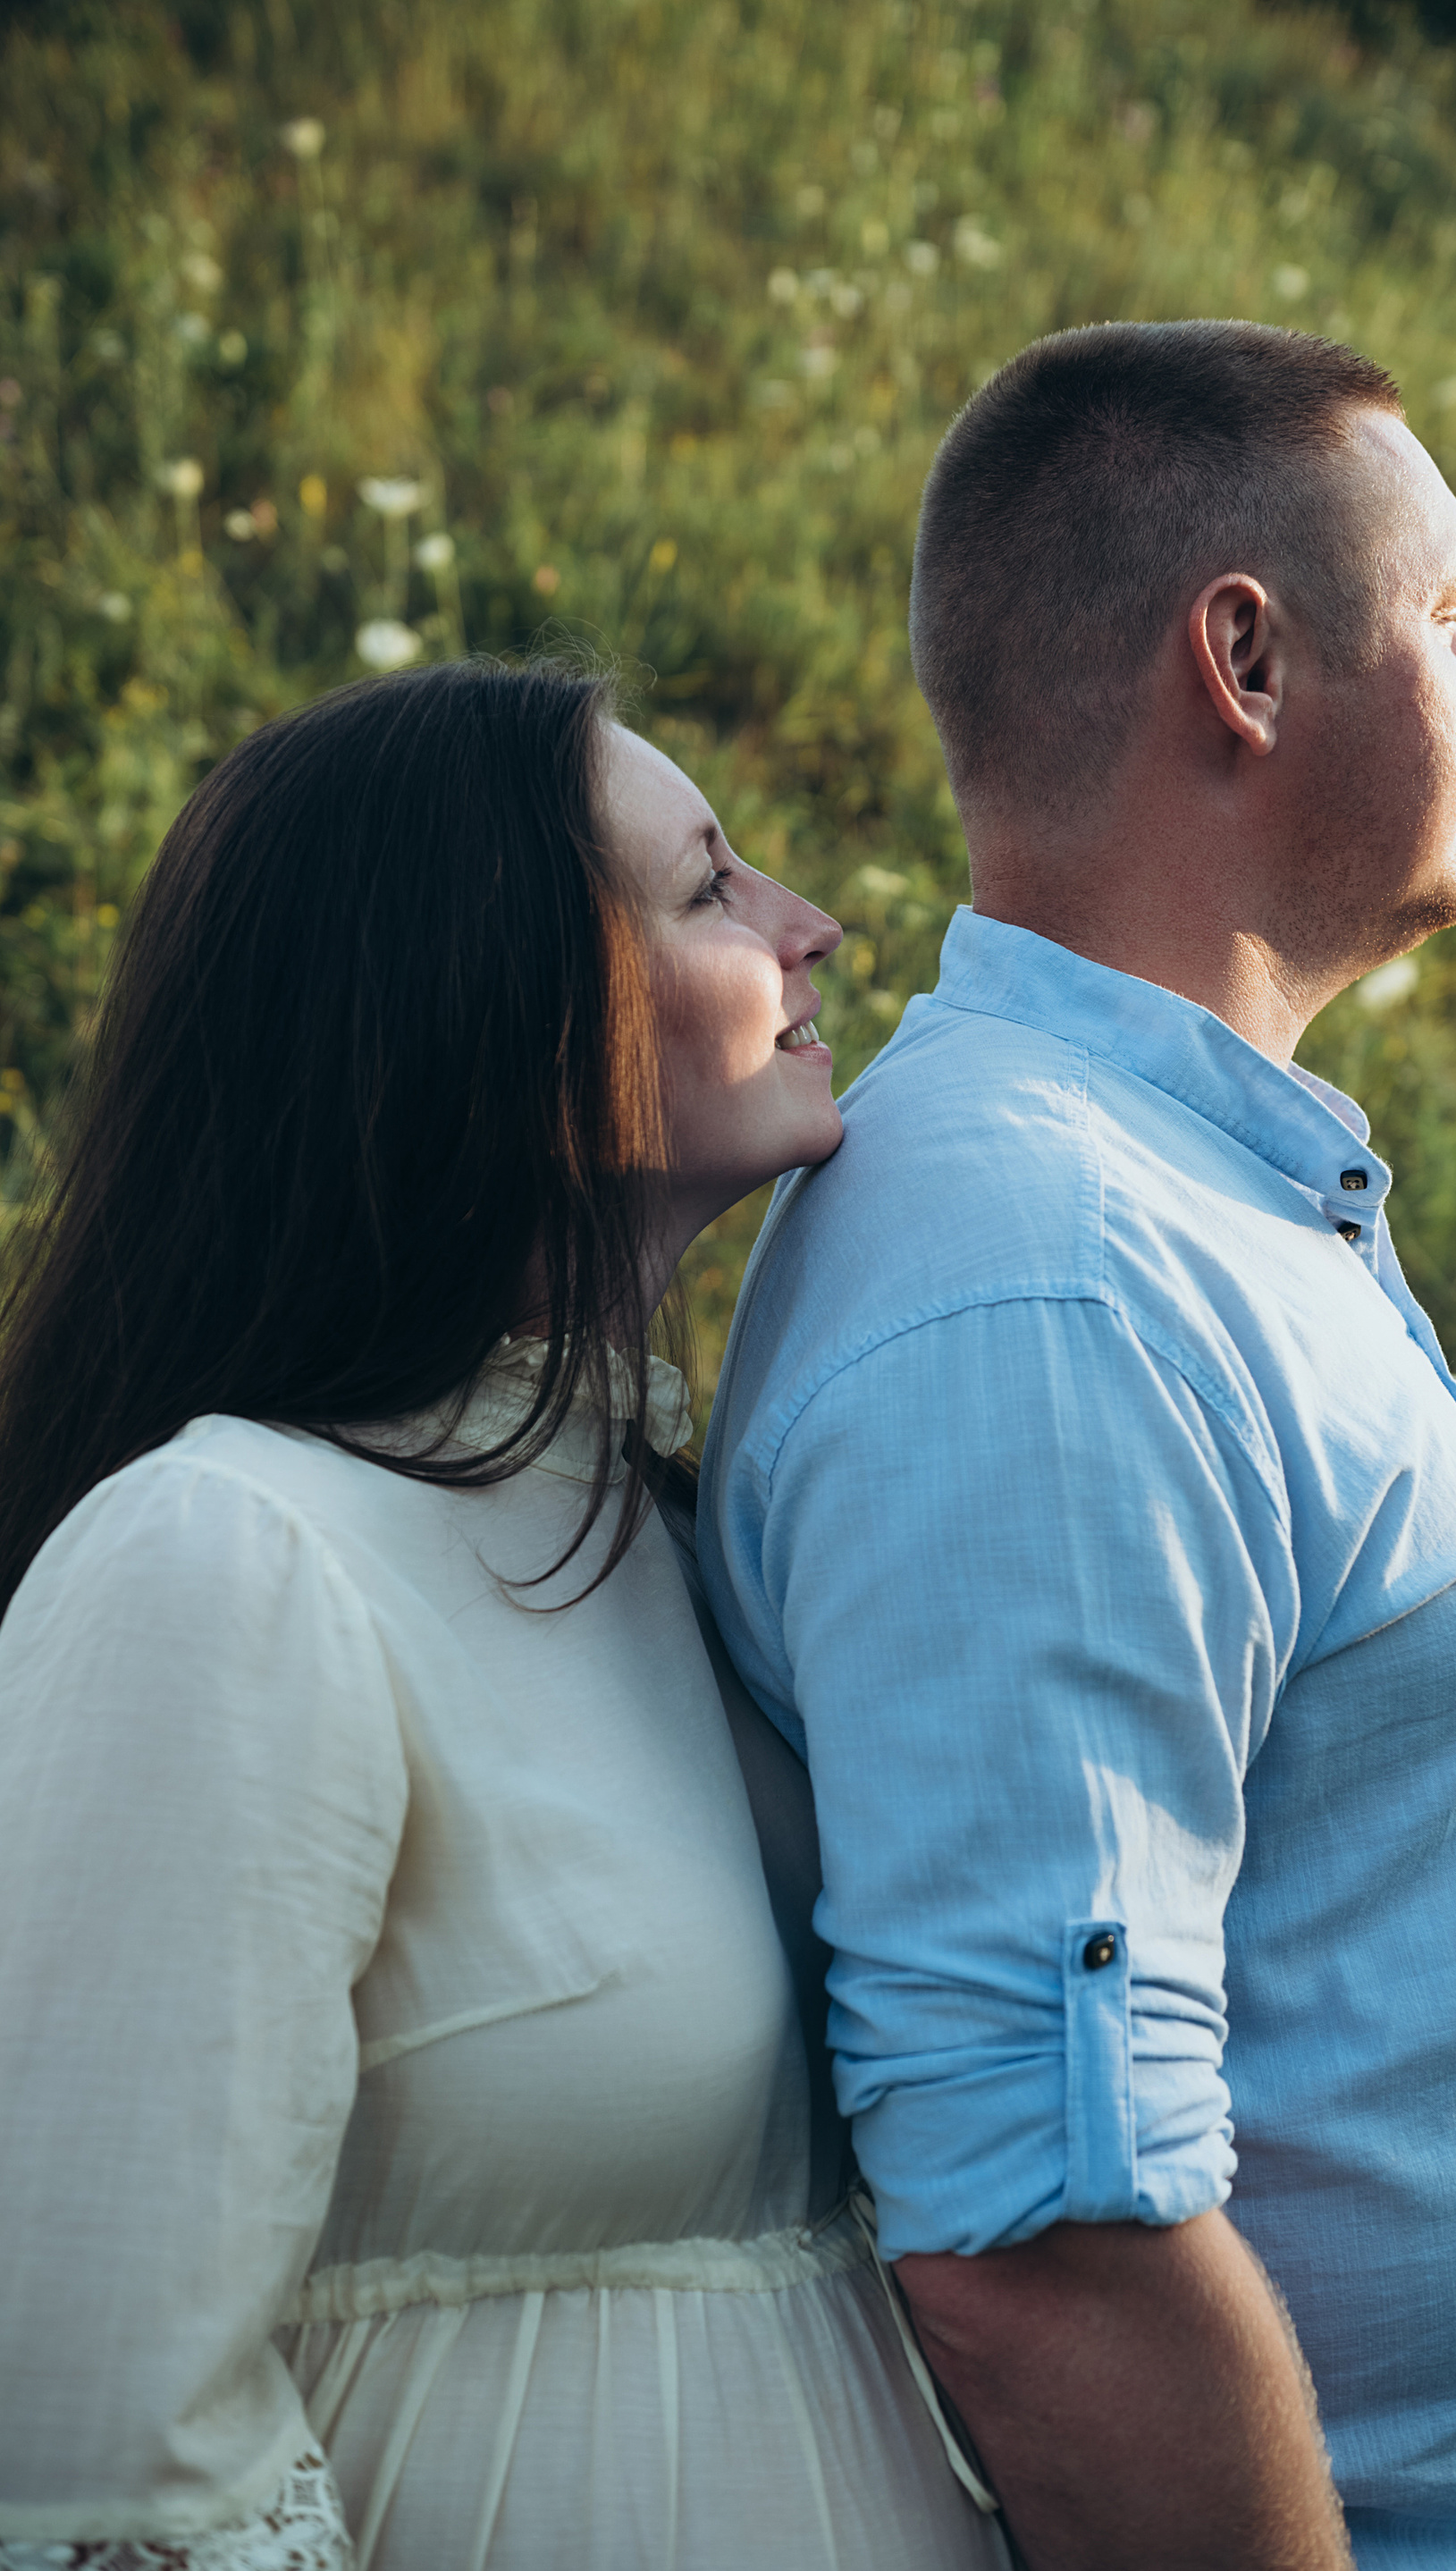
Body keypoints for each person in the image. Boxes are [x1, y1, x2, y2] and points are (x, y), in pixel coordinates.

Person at [699, 322, 1456, 2570]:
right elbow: (1048, 2246)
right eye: (1448, 618)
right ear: (1244, 661)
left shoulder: (1177, 1192)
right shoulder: (1049, 1287)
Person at [0, 661, 1008, 2570]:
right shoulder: (227, 1556)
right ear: (503, 1019)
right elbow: (92, 2443)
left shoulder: (686, 1546)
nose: (812, 923)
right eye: (710, 888)